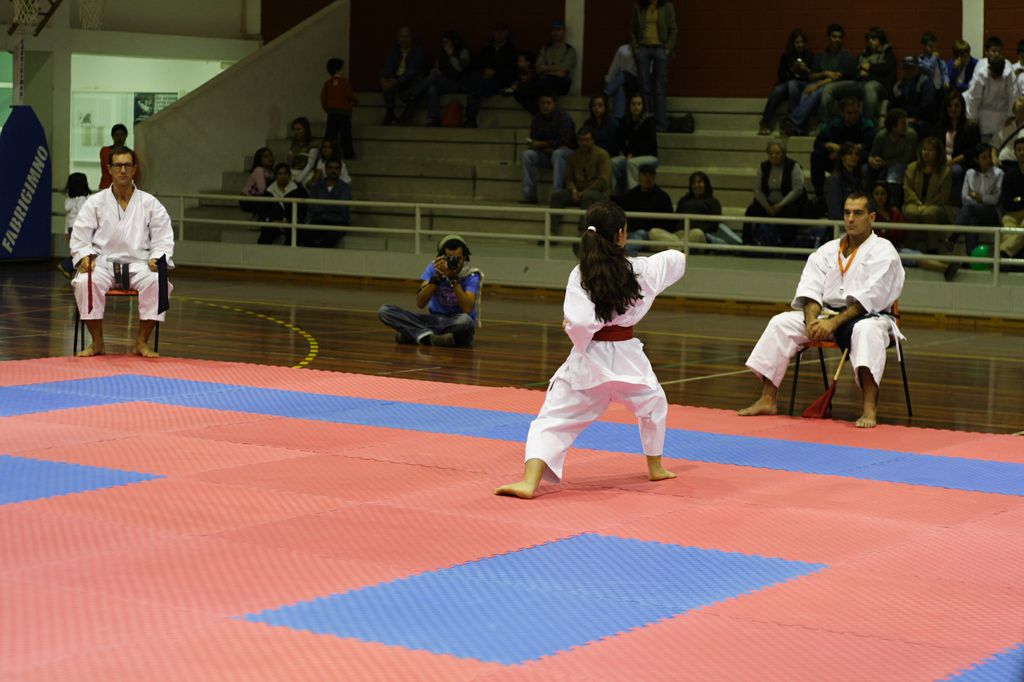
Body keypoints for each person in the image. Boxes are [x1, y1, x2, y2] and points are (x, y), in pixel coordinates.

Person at [494, 201, 683, 498]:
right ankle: (656, 467)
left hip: (590, 360)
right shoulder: (641, 269)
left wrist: (575, 329)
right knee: (654, 405)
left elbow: (581, 322)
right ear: (621, 234)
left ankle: (529, 482)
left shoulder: (582, 274)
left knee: (553, 419)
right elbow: (676, 258)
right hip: (630, 361)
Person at [738, 191, 905, 428]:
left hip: (869, 316)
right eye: (847, 213)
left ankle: (869, 407)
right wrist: (811, 321)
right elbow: (811, 288)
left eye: (858, 213)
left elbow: (870, 298)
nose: (850, 219)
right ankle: (768, 398)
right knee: (780, 323)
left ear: (872, 217)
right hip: (825, 314)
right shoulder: (827, 250)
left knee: (866, 332)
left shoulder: (884, 251)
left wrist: (833, 324)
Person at [70, 147, 173, 358]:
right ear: (109, 169)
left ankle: (141, 342)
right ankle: (97, 342)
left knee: (158, 282)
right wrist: (84, 256)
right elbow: (80, 236)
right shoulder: (95, 202)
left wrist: (157, 258)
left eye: (127, 165)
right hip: (103, 264)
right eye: (118, 165)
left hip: (139, 264)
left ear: (134, 169)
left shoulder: (150, 203)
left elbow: (163, 237)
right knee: (85, 281)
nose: (123, 170)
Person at [378, 234, 481, 347]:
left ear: (465, 257)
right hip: (435, 319)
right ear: (441, 257)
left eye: (458, 258)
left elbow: (467, 308)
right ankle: (432, 338)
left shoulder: (471, 275)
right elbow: (420, 303)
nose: (454, 262)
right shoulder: (434, 269)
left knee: (466, 321)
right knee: (385, 311)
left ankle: (416, 334)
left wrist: (454, 280)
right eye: (450, 258)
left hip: (456, 322)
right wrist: (436, 278)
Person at [784, 23, 857, 136]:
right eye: (834, 36)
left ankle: (793, 120)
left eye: (839, 37)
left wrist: (817, 85)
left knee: (815, 91)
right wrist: (825, 73)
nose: (837, 40)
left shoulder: (846, 55)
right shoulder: (820, 55)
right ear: (828, 37)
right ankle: (799, 128)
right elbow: (811, 76)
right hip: (819, 82)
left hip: (836, 85)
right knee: (805, 92)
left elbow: (837, 77)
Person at [810, 96, 875, 202]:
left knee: (866, 167)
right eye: (849, 113)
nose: (853, 116)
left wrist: (841, 153)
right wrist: (828, 145)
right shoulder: (834, 124)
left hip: (857, 161)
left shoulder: (866, 124)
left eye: (855, 112)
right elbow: (817, 143)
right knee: (816, 155)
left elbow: (869, 146)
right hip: (837, 162)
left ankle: (864, 197)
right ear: (842, 113)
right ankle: (819, 195)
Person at [549, 127, 612, 237]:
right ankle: (552, 231)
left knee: (587, 196)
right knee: (557, 196)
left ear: (593, 140)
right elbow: (568, 178)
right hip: (577, 191)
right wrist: (573, 190)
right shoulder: (573, 156)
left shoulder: (602, 155)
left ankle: (583, 231)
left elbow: (602, 181)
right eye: (581, 140)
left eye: (587, 140)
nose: (584, 143)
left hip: (598, 193)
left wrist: (583, 192)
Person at [744, 140, 807, 247]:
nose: (774, 156)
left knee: (790, 211)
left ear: (783, 154)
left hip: (787, 203)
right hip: (768, 205)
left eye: (777, 153)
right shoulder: (763, 167)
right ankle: (747, 242)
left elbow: (797, 190)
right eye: (771, 153)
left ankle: (786, 245)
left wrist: (779, 206)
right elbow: (757, 190)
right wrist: (767, 206)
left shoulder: (793, 166)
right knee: (751, 210)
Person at [519, 92, 576, 204]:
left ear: (554, 104)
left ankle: (557, 195)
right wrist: (539, 145)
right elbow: (533, 141)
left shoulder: (563, 118)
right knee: (526, 155)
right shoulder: (537, 119)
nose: (545, 106)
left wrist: (542, 144)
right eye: (542, 103)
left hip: (566, 154)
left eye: (548, 103)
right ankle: (529, 195)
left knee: (558, 153)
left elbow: (564, 141)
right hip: (546, 153)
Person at [630, 0, 677, 131]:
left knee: (660, 88)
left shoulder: (666, 7)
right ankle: (646, 123)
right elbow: (633, 30)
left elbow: (673, 28)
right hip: (643, 48)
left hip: (660, 48)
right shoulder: (639, 7)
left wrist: (668, 48)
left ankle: (661, 124)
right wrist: (636, 48)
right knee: (644, 87)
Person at [514, 21, 577, 114]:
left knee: (550, 81)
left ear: (564, 31)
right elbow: (539, 68)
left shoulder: (569, 50)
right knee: (518, 92)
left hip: (560, 83)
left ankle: (544, 113)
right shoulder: (546, 48)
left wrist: (546, 68)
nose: (555, 33)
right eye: (553, 30)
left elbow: (564, 70)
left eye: (558, 30)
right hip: (543, 82)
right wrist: (555, 70)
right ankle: (540, 114)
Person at [759, 29, 813, 135]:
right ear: (792, 44)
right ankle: (765, 120)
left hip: (803, 84)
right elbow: (781, 76)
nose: (800, 45)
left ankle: (792, 119)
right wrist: (792, 69)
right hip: (788, 83)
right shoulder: (786, 56)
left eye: (802, 42)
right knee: (777, 90)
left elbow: (813, 77)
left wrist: (806, 69)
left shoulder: (810, 56)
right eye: (797, 42)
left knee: (793, 84)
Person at [464, 23, 518, 128]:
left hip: (498, 81)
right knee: (475, 78)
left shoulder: (511, 51)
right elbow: (476, 64)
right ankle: (471, 117)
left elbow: (511, 71)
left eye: (501, 31)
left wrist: (495, 72)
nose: (498, 34)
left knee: (476, 88)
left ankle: (470, 118)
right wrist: (484, 71)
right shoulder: (486, 49)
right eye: (496, 31)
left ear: (506, 33)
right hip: (481, 78)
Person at [953, 143, 1003, 254]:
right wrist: (983, 198)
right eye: (984, 157)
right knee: (972, 220)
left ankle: (953, 235)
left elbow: (995, 200)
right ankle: (972, 257)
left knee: (970, 207)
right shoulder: (969, 173)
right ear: (976, 160)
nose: (988, 160)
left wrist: (976, 196)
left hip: (992, 213)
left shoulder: (999, 174)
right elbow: (964, 198)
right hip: (974, 211)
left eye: (989, 156)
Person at [614, 164, 673, 251]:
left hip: (651, 235)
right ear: (639, 176)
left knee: (640, 234)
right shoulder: (630, 195)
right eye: (644, 175)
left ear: (654, 177)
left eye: (650, 175)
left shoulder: (663, 197)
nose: (647, 178)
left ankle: (620, 253)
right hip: (630, 232)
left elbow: (668, 223)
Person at [866, 107, 918, 206]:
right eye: (903, 123)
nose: (906, 125)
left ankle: (893, 207)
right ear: (893, 127)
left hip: (904, 166)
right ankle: (869, 202)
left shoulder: (911, 135)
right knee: (867, 169)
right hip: (883, 166)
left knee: (894, 172)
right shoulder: (881, 136)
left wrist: (885, 163)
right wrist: (872, 160)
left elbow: (907, 159)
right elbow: (872, 154)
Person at [673, 171, 742, 245]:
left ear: (705, 184)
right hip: (680, 233)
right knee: (664, 235)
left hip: (699, 234)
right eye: (693, 183)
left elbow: (713, 225)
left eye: (699, 182)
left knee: (697, 233)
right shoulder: (683, 200)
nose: (696, 185)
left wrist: (693, 227)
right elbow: (676, 219)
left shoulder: (713, 202)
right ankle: (677, 246)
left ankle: (676, 247)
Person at [937, 90, 981, 202]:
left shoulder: (970, 126)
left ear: (962, 107)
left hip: (961, 163)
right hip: (942, 161)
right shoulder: (941, 126)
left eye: (956, 106)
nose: (953, 109)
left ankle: (954, 203)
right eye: (950, 106)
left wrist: (951, 163)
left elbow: (971, 152)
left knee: (954, 171)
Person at [379, 26, 427, 126]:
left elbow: (413, 70)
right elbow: (389, 65)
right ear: (398, 38)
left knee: (417, 89)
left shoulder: (418, 49)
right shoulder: (395, 49)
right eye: (402, 37)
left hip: (411, 79)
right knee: (387, 83)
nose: (404, 39)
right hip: (397, 77)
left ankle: (406, 116)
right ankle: (390, 113)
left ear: (411, 37)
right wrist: (384, 78)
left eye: (406, 37)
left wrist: (398, 81)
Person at [611, 94, 658, 194]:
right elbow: (620, 141)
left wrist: (634, 154)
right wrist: (627, 153)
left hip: (649, 155)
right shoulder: (625, 120)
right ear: (629, 105)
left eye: (639, 104)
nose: (636, 107)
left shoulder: (649, 121)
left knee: (631, 163)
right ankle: (616, 193)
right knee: (614, 162)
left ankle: (634, 194)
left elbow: (650, 144)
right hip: (631, 155)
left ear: (643, 106)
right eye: (633, 104)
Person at [423, 30, 472, 127]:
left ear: (453, 41)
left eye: (447, 41)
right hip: (443, 82)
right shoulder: (443, 53)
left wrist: (451, 55)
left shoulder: (463, 51)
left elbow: (460, 69)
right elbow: (437, 67)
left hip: (458, 83)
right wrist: (435, 71)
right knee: (432, 89)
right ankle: (435, 118)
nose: (444, 44)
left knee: (435, 79)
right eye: (443, 42)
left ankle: (412, 92)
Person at [965, 56, 1020, 142]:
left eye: (998, 74)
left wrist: (1011, 115)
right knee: (984, 143)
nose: (995, 77)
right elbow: (974, 97)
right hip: (984, 114)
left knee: (1001, 142)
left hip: (1003, 114)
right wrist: (972, 116)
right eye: (994, 73)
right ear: (989, 67)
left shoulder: (1009, 73)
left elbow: (1013, 95)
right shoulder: (981, 74)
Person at [304, 158, 351, 248]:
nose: (333, 171)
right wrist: (332, 205)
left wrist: (322, 204)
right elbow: (312, 207)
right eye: (330, 168)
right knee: (306, 235)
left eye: (336, 168)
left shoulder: (345, 188)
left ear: (340, 171)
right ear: (325, 169)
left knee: (330, 237)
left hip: (337, 222)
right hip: (318, 221)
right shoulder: (316, 187)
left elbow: (342, 207)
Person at [258, 163, 309, 245]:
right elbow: (264, 211)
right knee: (264, 238)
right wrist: (274, 221)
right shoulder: (269, 191)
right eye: (280, 173)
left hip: (293, 223)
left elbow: (303, 210)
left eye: (285, 173)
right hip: (274, 222)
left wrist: (290, 222)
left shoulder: (298, 190)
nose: (283, 176)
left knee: (297, 235)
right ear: (275, 176)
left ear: (289, 175)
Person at [320, 57, 358, 159]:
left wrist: (326, 108)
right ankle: (349, 154)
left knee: (330, 135)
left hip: (332, 113)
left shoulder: (328, 83)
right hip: (344, 113)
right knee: (345, 135)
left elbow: (323, 97)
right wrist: (355, 102)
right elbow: (349, 95)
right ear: (338, 70)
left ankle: (328, 154)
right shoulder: (345, 82)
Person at [892, 55, 938, 139]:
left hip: (922, 122)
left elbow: (928, 107)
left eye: (911, 68)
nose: (908, 70)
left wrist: (914, 118)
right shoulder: (897, 87)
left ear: (918, 68)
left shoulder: (925, 82)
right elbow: (893, 108)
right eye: (906, 68)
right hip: (902, 122)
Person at [58, 173, 92, 279]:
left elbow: (68, 218)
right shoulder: (82, 199)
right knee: (83, 251)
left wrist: (66, 231)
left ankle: (69, 267)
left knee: (78, 250)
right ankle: (67, 266)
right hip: (80, 228)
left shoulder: (70, 199)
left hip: (71, 228)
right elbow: (83, 216)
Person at [998, 138, 1024, 261]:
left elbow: (1013, 201)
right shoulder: (1009, 174)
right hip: (1011, 214)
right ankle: (1007, 260)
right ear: (1015, 153)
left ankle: (1000, 254)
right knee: (1008, 230)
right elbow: (1006, 202)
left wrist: (1018, 199)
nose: (1022, 152)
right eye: (1019, 150)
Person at [826, 142, 864, 220]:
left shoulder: (858, 178)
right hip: (842, 223)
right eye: (850, 153)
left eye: (856, 154)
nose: (854, 156)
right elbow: (835, 212)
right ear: (842, 157)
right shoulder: (835, 179)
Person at [99, 124, 142, 189]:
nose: (119, 138)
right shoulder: (105, 151)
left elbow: (135, 173)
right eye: (116, 135)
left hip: (124, 187)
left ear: (126, 136)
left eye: (122, 135)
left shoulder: (131, 154)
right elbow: (108, 168)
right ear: (112, 136)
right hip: (106, 186)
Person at [603, 43, 639, 119]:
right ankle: (618, 118)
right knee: (620, 88)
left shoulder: (645, 51)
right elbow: (615, 66)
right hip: (622, 82)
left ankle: (605, 94)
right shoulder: (623, 49)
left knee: (624, 74)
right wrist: (608, 80)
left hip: (636, 83)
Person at [240, 146, 275, 219]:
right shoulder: (259, 170)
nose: (270, 158)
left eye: (270, 155)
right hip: (248, 199)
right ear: (259, 159)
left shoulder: (272, 172)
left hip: (260, 198)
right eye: (265, 156)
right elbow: (262, 190)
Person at [584, 94, 621, 158]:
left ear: (605, 107)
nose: (596, 108)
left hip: (609, 156)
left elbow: (612, 146)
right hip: (591, 155)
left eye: (600, 105)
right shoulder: (588, 123)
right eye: (594, 105)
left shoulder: (612, 122)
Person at [287, 117, 318, 186]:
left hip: (306, 174)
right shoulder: (294, 144)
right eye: (294, 130)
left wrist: (299, 179)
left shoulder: (313, 144)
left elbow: (310, 165)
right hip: (293, 171)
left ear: (306, 129)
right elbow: (289, 162)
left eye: (298, 129)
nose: (296, 132)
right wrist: (290, 158)